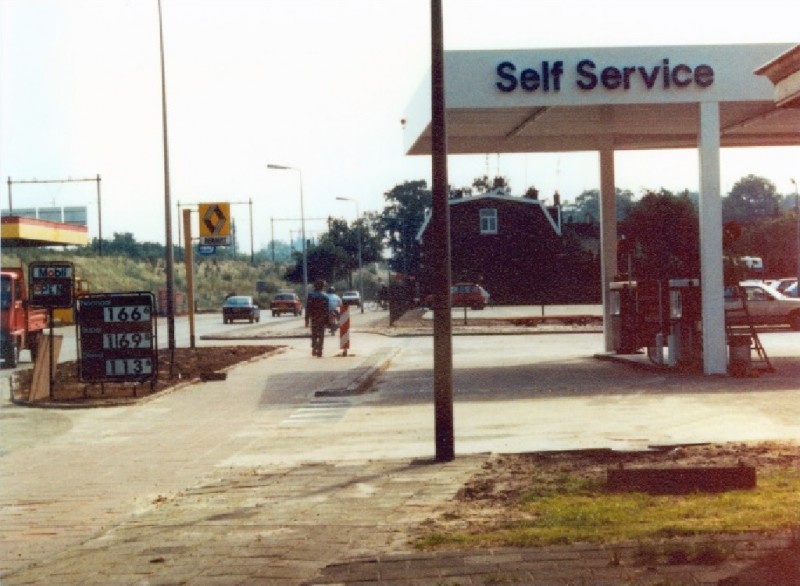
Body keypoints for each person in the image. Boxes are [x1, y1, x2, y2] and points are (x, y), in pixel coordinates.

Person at [305, 279, 330, 357]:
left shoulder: (311, 295)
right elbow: (327, 309)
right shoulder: (325, 296)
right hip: (322, 317)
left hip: (314, 317)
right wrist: (327, 320)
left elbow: (308, 307)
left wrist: (307, 318)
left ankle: (314, 347)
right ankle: (320, 349)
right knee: (321, 334)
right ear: (323, 287)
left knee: (314, 333)